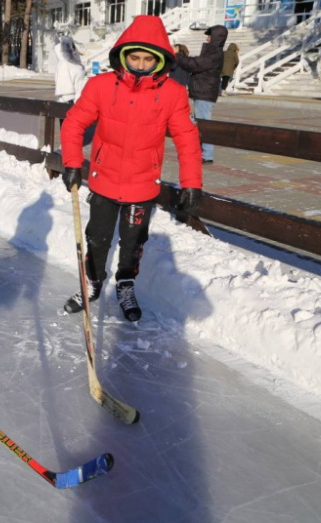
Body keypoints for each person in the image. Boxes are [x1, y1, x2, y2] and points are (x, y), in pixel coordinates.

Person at [60, 15, 203, 322]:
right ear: (123, 55)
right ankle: (93, 285)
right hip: (104, 181)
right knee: (97, 238)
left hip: (142, 185)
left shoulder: (173, 93)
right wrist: (72, 162)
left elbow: (187, 139)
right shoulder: (100, 86)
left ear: (160, 59)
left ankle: (126, 284)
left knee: (133, 242)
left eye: (147, 58)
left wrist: (192, 183)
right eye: (134, 57)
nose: (139, 64)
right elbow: (73, 124)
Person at [174, 25, 227, 165]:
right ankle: (202, 152)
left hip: (205, 92)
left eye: (209, 36)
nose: (207, 38)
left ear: (216, 38)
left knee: (204, 124)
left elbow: (195, 64)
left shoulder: (214, 53)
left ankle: (207, 154)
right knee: (200, 122)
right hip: (203, 91)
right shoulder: (212, 52)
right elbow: (196, 63)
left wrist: (178, 56)